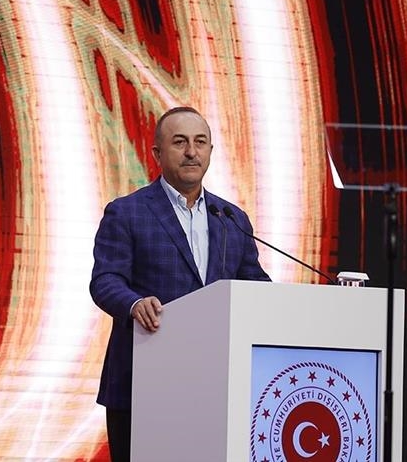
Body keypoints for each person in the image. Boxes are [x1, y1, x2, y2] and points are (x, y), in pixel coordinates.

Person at [90, 106, 271, 461]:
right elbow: (105, 280)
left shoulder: (231, 218)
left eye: (200, 142)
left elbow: (255, 286)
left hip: (214, 386)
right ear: (157, 154)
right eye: (180, 142)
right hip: (142, 381)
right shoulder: (126, 212)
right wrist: (134, 304)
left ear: (210, 151)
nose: (191, 152)